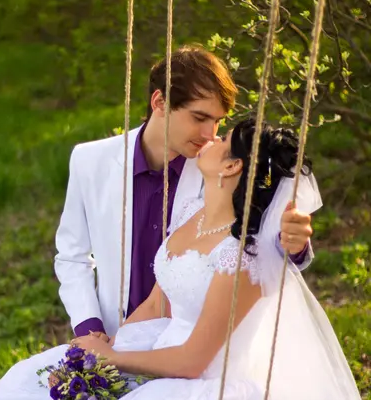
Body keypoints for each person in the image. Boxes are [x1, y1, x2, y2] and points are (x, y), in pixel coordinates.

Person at [0, 120, 370, 400]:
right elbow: (158, 302)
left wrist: (114, 361)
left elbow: (192, 360)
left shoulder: (242, 256)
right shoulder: (192, 215)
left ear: (233, 167)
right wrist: (101, 352)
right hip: (153, 348)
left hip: (200, 383)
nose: (211, 137)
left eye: (222, 138)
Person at [54, 45, 314, 344]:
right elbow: (72, 256)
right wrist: (90, 328)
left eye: (217, 121)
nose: (210, 133)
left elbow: (257, 243)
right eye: (199, 117)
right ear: (160, 101)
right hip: (110, 336)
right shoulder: (89, 161)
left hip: (189, 344)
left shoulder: (218, 171)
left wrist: (294, 244)